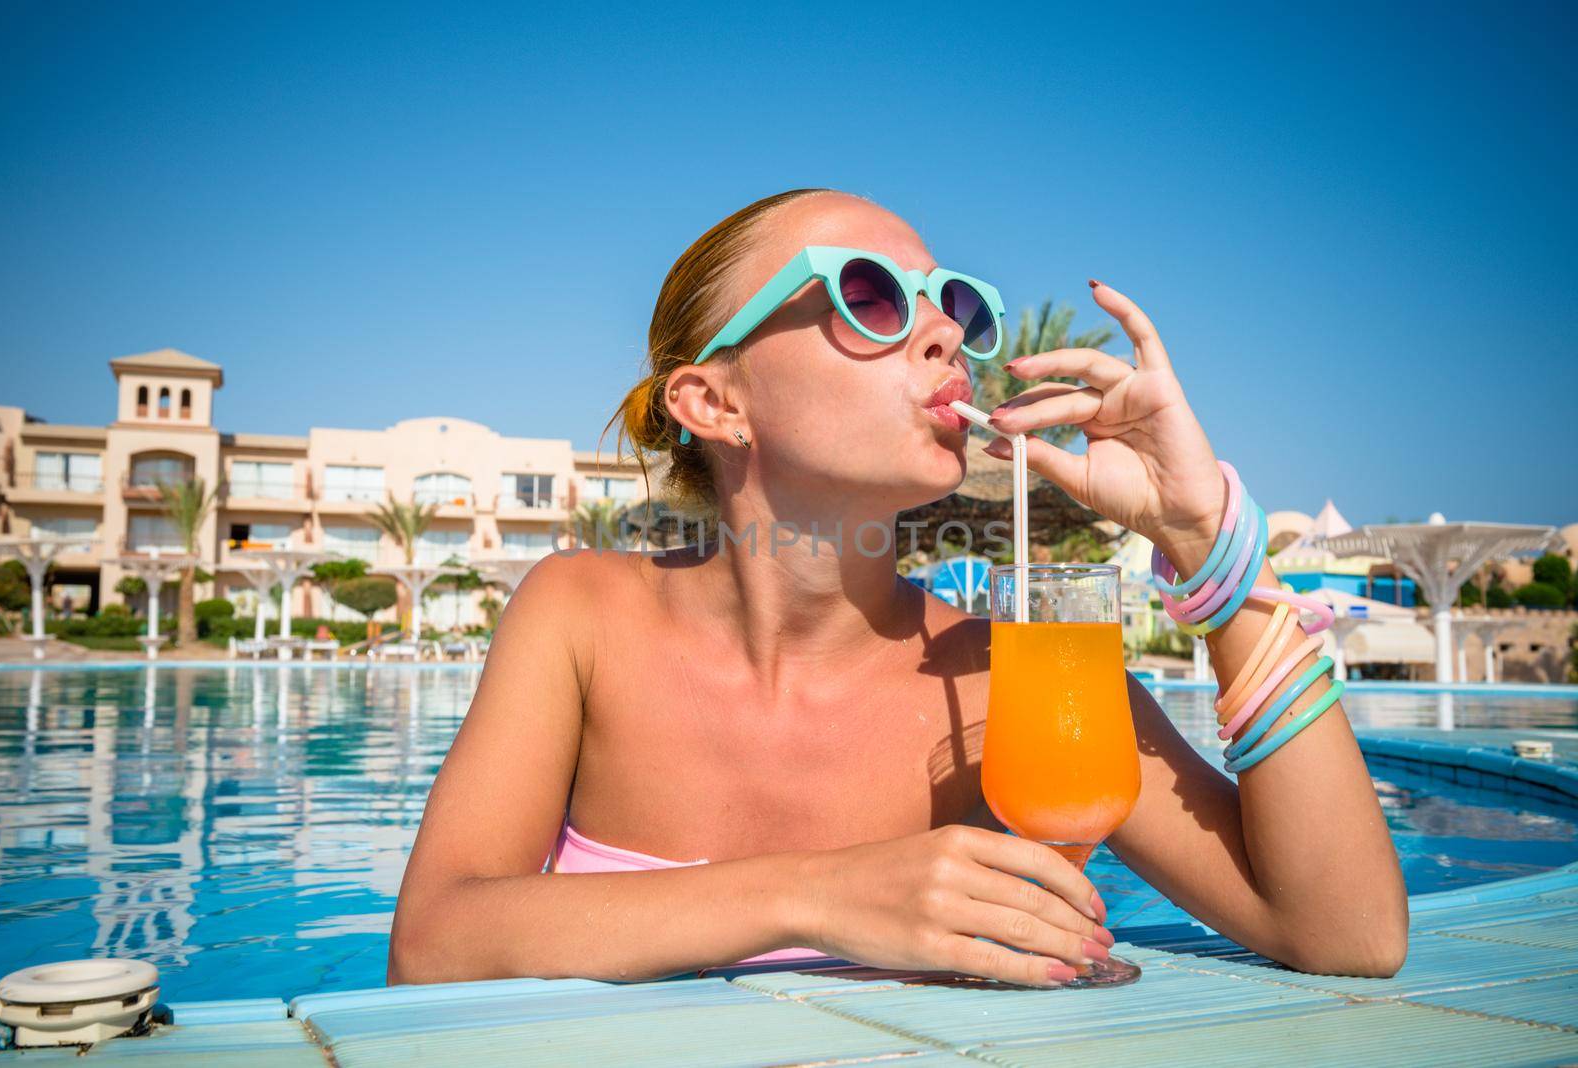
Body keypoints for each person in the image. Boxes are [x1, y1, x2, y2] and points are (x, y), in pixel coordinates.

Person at [388, 188, 1408, 988]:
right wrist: (821, 895)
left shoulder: (1011, 677)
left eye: (955, 304)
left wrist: (1209, 541)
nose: (944, 335)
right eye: (869, 294)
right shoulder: (580, 615)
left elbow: (1345, 932)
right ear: (715, 399)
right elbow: (433, 941)